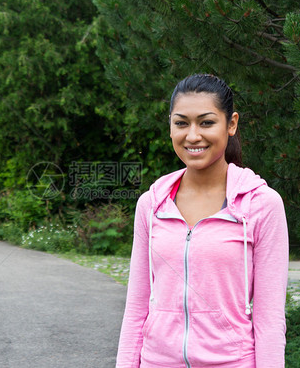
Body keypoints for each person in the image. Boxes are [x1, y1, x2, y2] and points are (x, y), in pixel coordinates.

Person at [116, 74, 289, 367]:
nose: (193, 135)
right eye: (181, 123)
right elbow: (136, 307)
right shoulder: (151, 205)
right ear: (170, 125)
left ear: (231, 124)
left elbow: (269, 318)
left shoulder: (261, 205)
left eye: (206, 122)